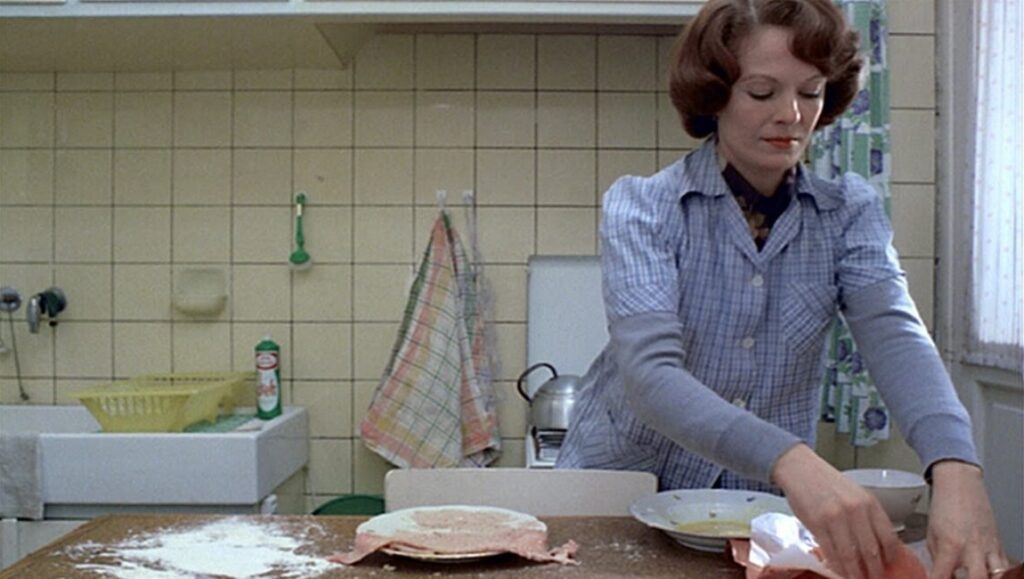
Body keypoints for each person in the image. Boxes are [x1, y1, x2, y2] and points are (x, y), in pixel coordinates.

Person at [554, 1, 1010, 578]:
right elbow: (651, 378)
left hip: (755, 511)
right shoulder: (644, 207)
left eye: (812, 92)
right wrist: (794, 461)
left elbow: (896, 335)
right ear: (715, 95)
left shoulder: (848, 214)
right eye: (762, 92)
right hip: (616, 493)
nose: (792, 116)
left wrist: (956, 467)